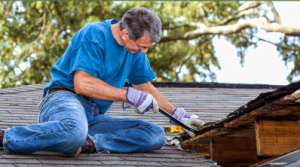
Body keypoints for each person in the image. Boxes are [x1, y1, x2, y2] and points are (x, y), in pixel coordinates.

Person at [0, 7, 204, 158]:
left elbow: (146, 88)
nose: (144, 52)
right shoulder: (95, 35)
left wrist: (177, 115)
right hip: (63, 100)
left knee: (154, 134)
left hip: (92, 116)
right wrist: (127, 94)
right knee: (74, 130)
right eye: (142, 46)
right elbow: (82, 84)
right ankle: (6, 137)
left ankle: (85, 143)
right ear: (125, 34)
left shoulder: (134, 52)